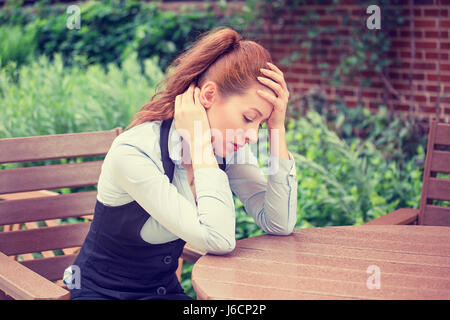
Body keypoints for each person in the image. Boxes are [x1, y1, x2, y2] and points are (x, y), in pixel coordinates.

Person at [65, 26, 298, 300]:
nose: (250, 136)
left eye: (260, 124)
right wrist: (199, 146)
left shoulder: (226, 146)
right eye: (248, 118)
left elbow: (279, 223)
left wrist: (277, 128)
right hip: (102, 294)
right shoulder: (135, 151)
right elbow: (219, 241)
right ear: (208, 96)